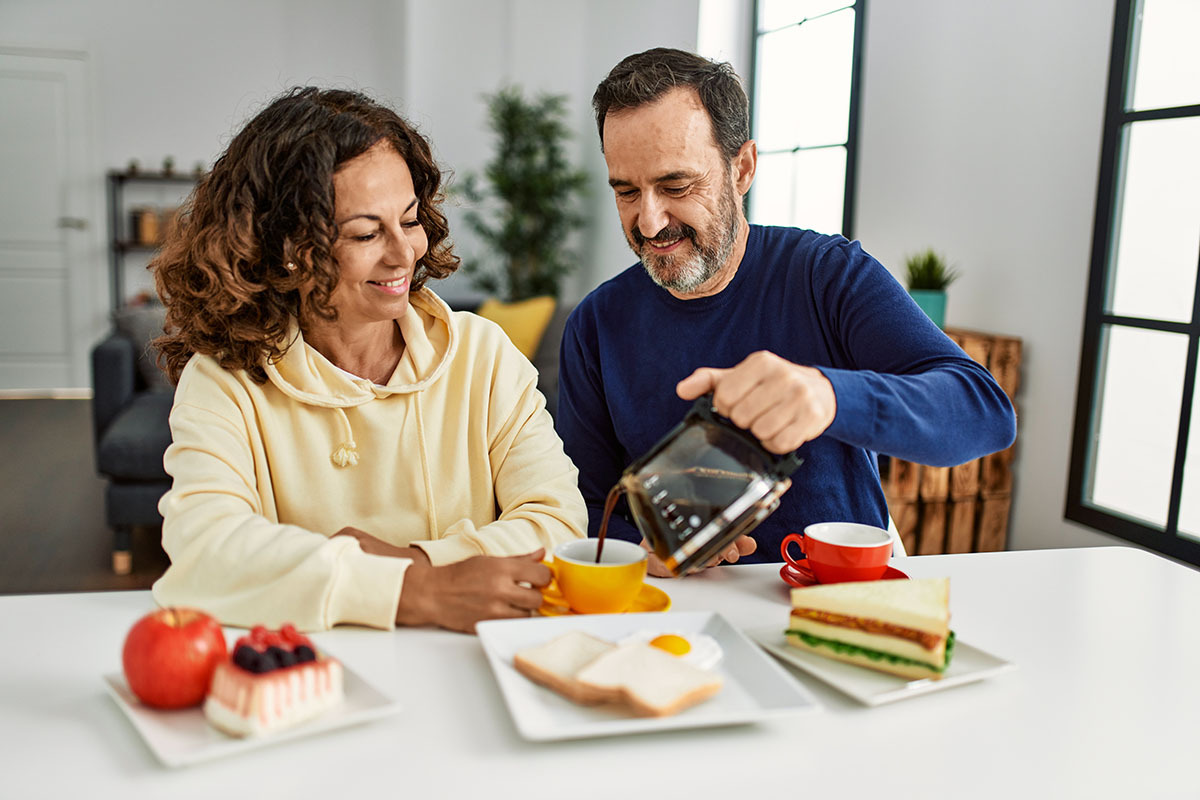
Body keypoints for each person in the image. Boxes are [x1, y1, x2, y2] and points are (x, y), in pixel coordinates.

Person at [556, 48, 1016, 577]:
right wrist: (642, 547)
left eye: (676, 186)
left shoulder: (828, 275)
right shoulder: (596, 325)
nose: (650, 221)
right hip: (673, 605)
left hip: (835, 592)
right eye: (626, 192)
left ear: (743, 168)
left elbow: (985, 412)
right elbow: (584, 505)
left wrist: (828, 395)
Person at [150, 87, 585, 632]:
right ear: (288, 247)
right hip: (316, 682)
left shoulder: (483, 355)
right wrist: (420, 593)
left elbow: (560, 523)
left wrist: (415, 567)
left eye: (408, 220)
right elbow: (203, 551)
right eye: (365, 232)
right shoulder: (225, 381)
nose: (404, 253)